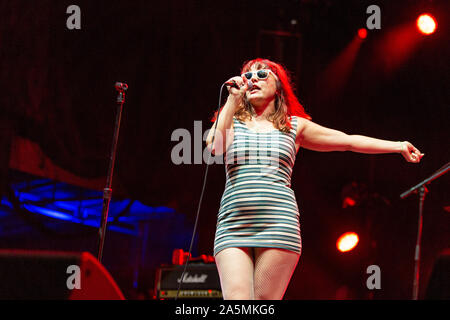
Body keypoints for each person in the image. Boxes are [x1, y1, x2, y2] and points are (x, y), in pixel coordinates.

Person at [205, 58, 424, 300]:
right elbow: (215, 146)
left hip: (278, 224)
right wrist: (232, 101)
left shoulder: (294, 126)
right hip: (233, 223)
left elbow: (348, 141)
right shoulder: (231, 121)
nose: (253, 79)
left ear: (278, 86)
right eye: (247, 76)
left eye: (262, 74)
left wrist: (397, 146)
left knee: (263, 302)